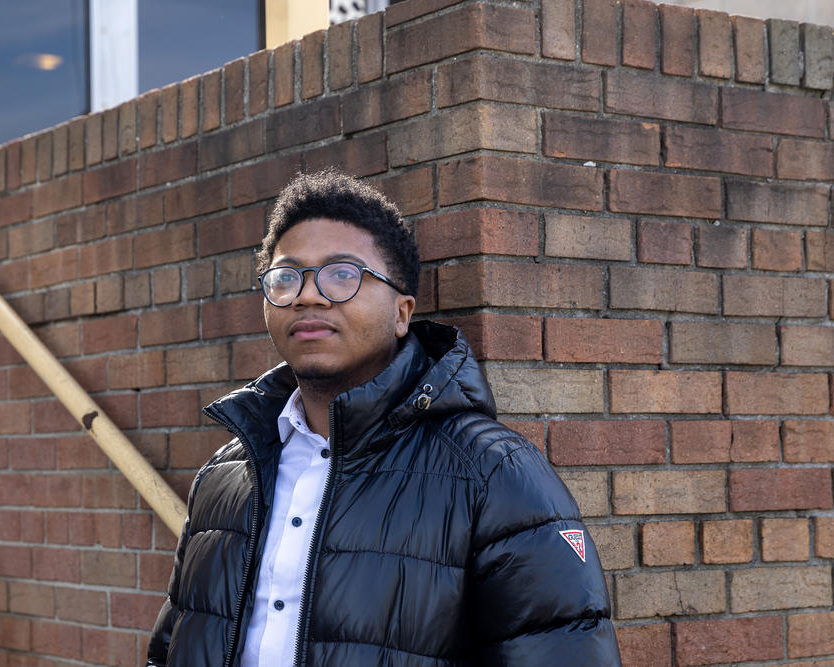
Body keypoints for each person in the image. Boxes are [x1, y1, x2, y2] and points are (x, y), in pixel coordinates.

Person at [146, 171, 621, 666]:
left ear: (402, 312)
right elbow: (168, 650)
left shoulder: (496, 477)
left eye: (341, 274)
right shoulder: (224, 478)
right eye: (286, 278)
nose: (308, 295)